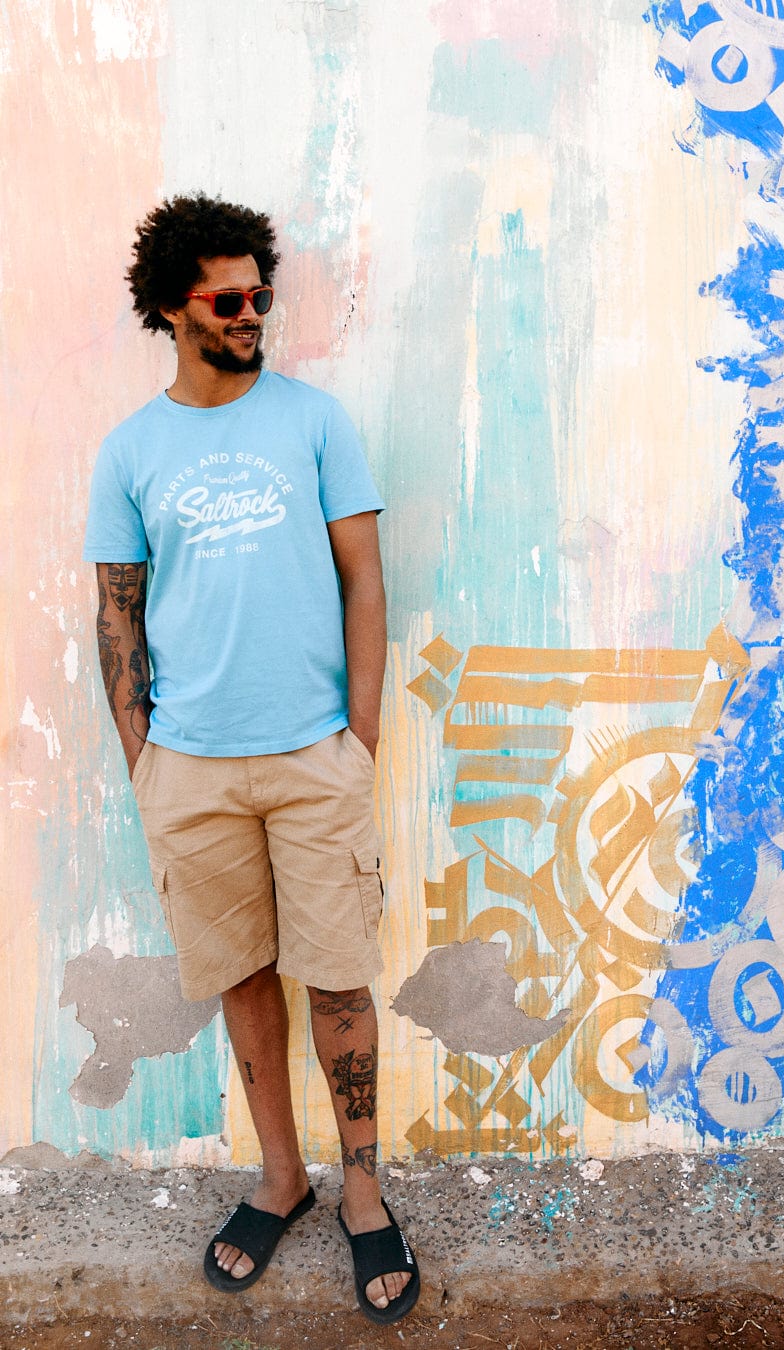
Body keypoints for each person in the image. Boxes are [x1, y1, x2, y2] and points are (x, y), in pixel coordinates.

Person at [83, 193, 418, 1325]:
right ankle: (281, 1178)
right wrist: (145, 761)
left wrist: (358, 736)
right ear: (173, 307)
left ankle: (363, 1188)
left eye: (259, 294)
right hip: (192, 767)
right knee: (242, 977)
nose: (251, 313)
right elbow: (116, 614)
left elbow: (364, 579)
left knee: (338, 976)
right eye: (228, 299)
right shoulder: (129, 451)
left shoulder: (315, 422)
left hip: (313, 757)